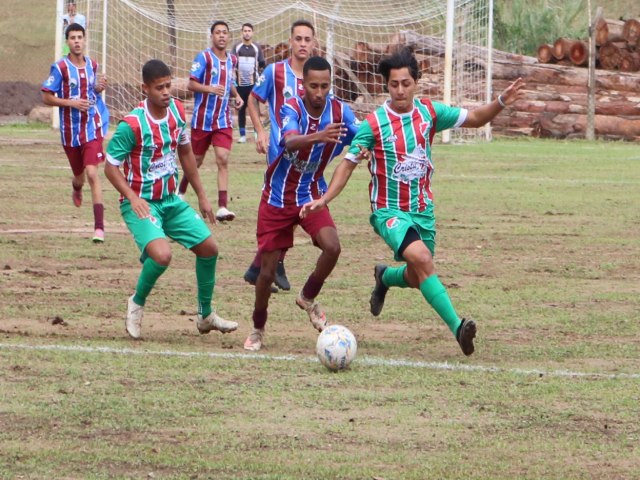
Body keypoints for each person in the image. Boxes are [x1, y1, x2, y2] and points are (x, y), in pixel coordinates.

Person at [301, 47, 525, 356]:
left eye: (406, 83)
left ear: (416, 82)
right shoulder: (375, 124)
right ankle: (458, 327)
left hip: (423, 211)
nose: (400, 90)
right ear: (386, 86)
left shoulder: (430, 113)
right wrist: (325, 198)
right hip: (388, 211)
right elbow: (347, 163)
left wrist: (500, 102)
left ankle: (385, 276)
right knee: (421, 259)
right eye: (394, 84)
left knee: (420, 273)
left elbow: (474, 118)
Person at [104, 59, 238, 340]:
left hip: (170, 200)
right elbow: (110, 166)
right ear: (145, 88)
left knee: (209, 248)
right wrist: (131, 196)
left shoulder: (177, 112)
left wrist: (201, 194)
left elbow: (186, 153)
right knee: (163, 255)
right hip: (140, 202)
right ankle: (136, 303)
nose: (166, 92)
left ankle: (205, 315)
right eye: (159, 87)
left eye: (168, 85)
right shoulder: (132, 125)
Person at [243, 56, 361, 351]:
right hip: (277, 198)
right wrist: (320, 136)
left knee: (332, 247)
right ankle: (258, 327)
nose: (319, 92)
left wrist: (366, 146)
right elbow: (289, 141)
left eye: (324, 86)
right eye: (313, 86)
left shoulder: (339, 110)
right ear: (303, 85)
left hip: (311, 195)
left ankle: (307, 297)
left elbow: (365, 134)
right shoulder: (291, 106)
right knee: (267, 272)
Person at [243, 19, 316, 292]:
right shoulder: (275, 72)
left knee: (294, 208)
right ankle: (275, 261)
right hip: (279, 154)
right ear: (290, 41)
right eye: (298, 39)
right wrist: (260, 131)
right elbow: (253, 98)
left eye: (307, 39)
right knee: (285, 207)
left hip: (308, 156)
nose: (303, 44)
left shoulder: (316, 76)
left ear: (314, 43)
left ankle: (260, 266)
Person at [42, 22, 109, 243]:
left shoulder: (93, 64)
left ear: (85, 39)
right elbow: (46, 96)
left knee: (92, 173)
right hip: (71, 133)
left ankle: (99, 228)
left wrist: (99, 88)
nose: (77, 41)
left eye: (80, 37)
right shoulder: (60, 68)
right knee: (79, 178)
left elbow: (92, 91)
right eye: (73, 38)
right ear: (67, 42)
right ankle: (76, 188)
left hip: (92, 127)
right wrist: (70, 102)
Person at [177, 20, 243, 223]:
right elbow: (191, 84)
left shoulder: (232, 59)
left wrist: (237, 95)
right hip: (202, 120)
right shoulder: (204, 57)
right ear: (212, 36)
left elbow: (229, 81)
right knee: (195, 162)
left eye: (225, 33)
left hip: (222, 120)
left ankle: (223, 206)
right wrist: (210, 89)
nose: (222, 36)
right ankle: (179, 194)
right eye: (218, 32)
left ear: (229, 36)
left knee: (222, 158)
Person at [232, 23, 266, 144]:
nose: (247, 33)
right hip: (240, 84)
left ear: (252, 32)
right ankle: (242, 135)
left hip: (253, 85)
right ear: (242, 32)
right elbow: (232, 64)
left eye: (249, 30)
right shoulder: (237, 47)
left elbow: (262, 64)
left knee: (254, 110)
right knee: (241, 109)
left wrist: (260, 81)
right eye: (245, 30)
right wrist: (233, 80)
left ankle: (257, 133)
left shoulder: (256, 48)